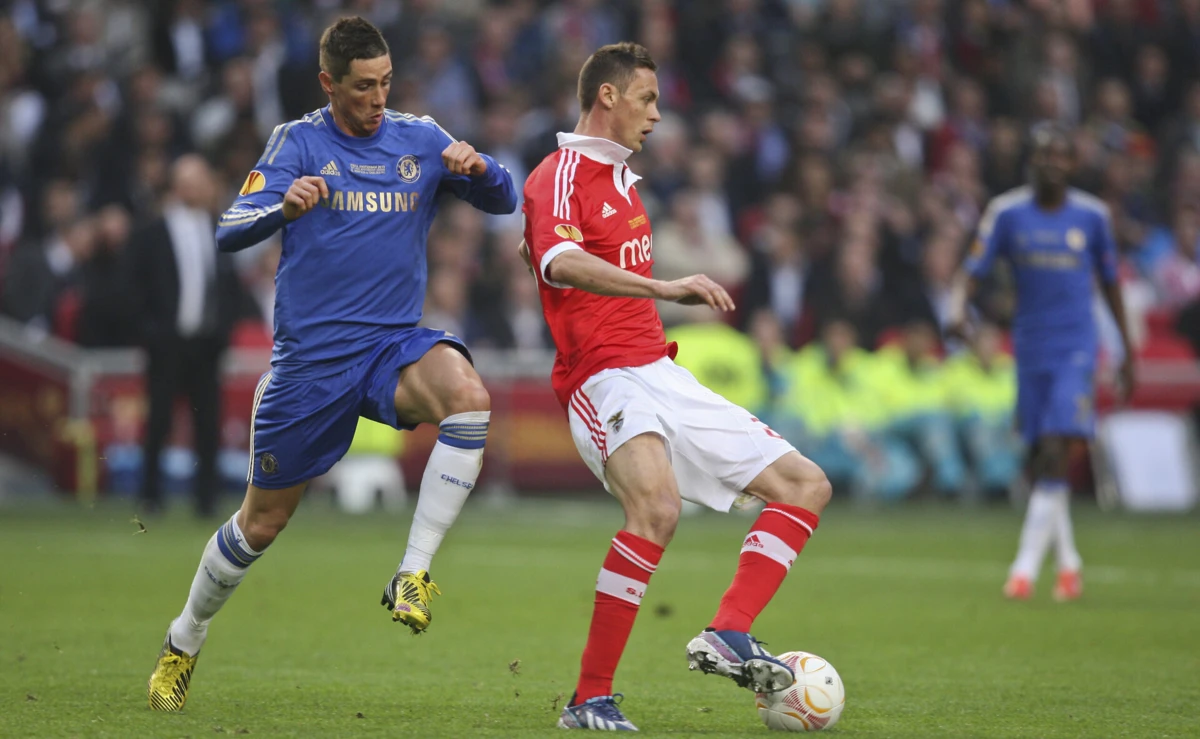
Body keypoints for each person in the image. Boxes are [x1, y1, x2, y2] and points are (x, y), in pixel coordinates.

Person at [147, 16, 517, 711]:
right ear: (329, 84)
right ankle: (184, 637)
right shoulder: (298, 142)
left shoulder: (420, 137)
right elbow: (229, 228)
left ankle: (412, 572)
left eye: (385, 83)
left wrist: (482, 167)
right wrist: (280, 207)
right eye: (362, 87)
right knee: (260, 525)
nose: (378, 98)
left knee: (468, 393)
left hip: (390, 348)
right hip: (312, 362)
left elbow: (505, 199)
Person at [518, 43, 832, 731]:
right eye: (647, 99)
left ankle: (728, 630)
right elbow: (562, 262)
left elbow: (547, 250)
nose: (657, 115)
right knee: (656, 510)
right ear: (607, 96)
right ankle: (588, 698)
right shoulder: (559, 172)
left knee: (805, 484)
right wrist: (665, 286)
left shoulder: (624, 178)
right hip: (601, 379)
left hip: (660, 369)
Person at [948, 123, 1135, 602]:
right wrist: (955, 308)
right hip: (1029, 349)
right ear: (1029, 160)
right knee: (1039, 460)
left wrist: (1127, 350)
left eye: (1062, 155)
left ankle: (1023, 570)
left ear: (1074, 164)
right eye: (1043, 153)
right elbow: (972, 271)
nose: (1052, 161)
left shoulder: (1092, 216)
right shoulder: (1007, 213)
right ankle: (1069, 565)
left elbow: (1112, 283)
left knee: (1056, 449)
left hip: (1076, 348)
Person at [128, 156, 242, 519]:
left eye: (201, 179)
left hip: (206, 345)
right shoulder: (153, 232)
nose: (196, 187)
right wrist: (151, 332)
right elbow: (136, 288)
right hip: (167, 344)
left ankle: (205, 500)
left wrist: (223, 332)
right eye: (188, 180)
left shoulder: (220, 230)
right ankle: (150, 496)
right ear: (176, 185)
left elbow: (229, 289)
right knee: (158, 421)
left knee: (208, 424)